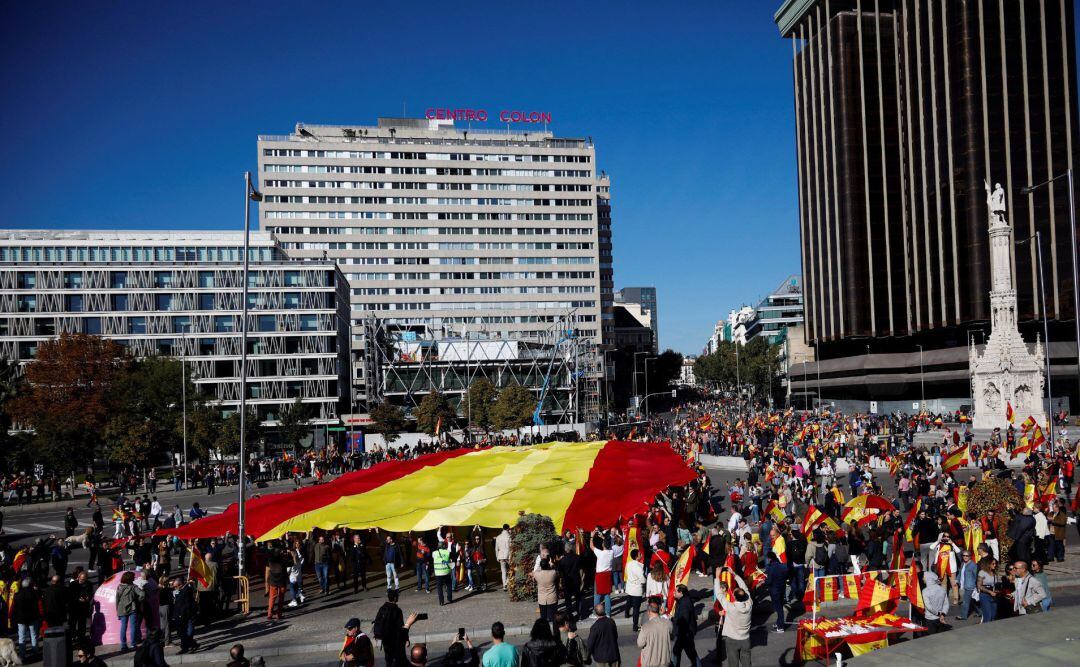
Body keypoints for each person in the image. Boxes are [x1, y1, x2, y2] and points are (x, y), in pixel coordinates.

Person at [372, 588, 418, 667]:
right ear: (395, 598)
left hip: (385, 640)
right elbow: (401, 627)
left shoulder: (382, 608)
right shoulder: (397, 610)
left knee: (388, 658)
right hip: (395, 639)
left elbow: (377, 622)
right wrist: (406, 639)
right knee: (398, 659)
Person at [717, 584, 752, 667]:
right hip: (745, 639)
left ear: (734, 597)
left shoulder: (730, 606)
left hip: (732, 640)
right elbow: (746, 589)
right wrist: (735, 575)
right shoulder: (749, 605)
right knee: (747, 664)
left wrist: (717, 578)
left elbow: (719, 595)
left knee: (733, 664)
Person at [636, 596, 673, 667]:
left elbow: (640, 644)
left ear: (649, 611)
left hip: (650, 662)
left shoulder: (646, 626)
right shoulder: (668, 623)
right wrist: (664, 615)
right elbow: (672, 636)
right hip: (665, 662)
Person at [12, 578, 42, 662]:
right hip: (33, 618)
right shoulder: (34, 593)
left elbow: (15, 608)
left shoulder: (17, 595)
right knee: (33, 635)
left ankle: (22, 655)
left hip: (21, 619)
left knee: (22, 637)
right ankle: (35, 652)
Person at [116, 570, 146, 651]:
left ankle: (123, 645)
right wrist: (139, 600)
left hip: (122, 609)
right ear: (130, 579)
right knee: (133, 626)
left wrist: (117, 611)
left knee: (123, 627)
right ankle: (133, 644)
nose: (134, 578)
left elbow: (117, 600)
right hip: (132, 608)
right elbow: (142, 594)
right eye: (133, 577)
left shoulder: (119, 587)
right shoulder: (133, 587)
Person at [671, 584, 698, 667]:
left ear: (681, 592)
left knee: (690, 654)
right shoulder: (682, 601)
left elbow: (683, 620)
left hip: (685, 633)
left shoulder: (685, 603)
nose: (674, 592)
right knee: (679, 652)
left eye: (676, 591)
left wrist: (672, 619)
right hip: (684, 632)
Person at [171, 577, 199, 654]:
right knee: (182, 633)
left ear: (180, 585)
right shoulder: (180, 590)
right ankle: (187, 647)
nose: (175, 588)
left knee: (189, 633)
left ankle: (192, 645)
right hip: (181, 616)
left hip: (188, 615)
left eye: (176, 586)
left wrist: (181, 614)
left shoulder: (187, 590)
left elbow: (186, 605)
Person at [532, 558, 559, 634]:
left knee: (543, 618)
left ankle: (544, 633)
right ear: (548, 565)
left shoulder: (537, 574)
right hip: (552, 597)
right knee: (553, 618)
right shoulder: (553, 573)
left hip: (542, 599)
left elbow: (534, 571)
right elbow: (556, 571)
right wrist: (551, 565)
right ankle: (555, 632)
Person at [764, 551, 789, 633]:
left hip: (774, 590)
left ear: (769, 558)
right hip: (782, 588)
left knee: (779, 609)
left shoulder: (770, 568)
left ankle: (780, 626)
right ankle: (779, 622)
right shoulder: (783, 566)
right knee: (780, 606)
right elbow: (786, 576)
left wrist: (765, 581)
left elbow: (769, 581)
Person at [624, 548, 647, 631]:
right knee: (636, 608)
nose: (641, 555)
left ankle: (626, 613)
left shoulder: (629, 564)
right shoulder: (638, 567)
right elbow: (643, 579)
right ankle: (635, 626)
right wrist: (645, 581)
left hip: (630, 586)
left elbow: (627, 573)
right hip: (636, 588)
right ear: (637, 556)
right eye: (639, 554)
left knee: (629, 600)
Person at [265, 548, 288, 620]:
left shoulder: (270, 560)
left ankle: (269, 614)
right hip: (281, 581)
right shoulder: (283, 560)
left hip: (273, 581)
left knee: (272, 598)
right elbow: (291, 563)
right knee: (281, 598)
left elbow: (267, 570)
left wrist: (266, 584)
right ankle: (279, 614)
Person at [956, 550, 978, 620]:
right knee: (972, 602)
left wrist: (976, 587)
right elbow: (960, 573)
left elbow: (976, 576)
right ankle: (980, 612)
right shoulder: (963, 564)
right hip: (964, 585)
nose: (965, 557)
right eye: (963, 556)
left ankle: (963, 616)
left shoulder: (973, 565)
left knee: (965, 602)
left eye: (967, 556)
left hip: (970, 586)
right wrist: (957, 580)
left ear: (970, 557)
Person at [976, 557, 999, 623]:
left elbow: (994, 584)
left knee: (993, 615)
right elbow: (979, 586)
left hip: (993, 594)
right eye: (993, 564)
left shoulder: (994, 573)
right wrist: (989, 591)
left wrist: (996, 591)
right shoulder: (982, 572)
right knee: (988, 615)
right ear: (988, 564)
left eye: (995, 564)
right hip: (984, 595)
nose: (995, 565)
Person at [432, 539, 454, 606]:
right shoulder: (447, 552)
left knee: (439, 588)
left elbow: (433, 558)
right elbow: (451, 559)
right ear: (444, 546)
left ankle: (441, 602)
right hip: (446, 572)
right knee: (449, 585)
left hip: (438, 573)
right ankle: (449, 599)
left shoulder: (434, 553)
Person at [495, 524, 512, 590]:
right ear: (508, 529)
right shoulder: (509, 536)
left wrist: (497, 557)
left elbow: (496, 548)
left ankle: (504, 585)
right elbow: (511, 547)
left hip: (501, 555)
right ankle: (507, 582)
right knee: (511, 570)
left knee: (503, 571)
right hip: (508, 555)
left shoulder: (498, 537)